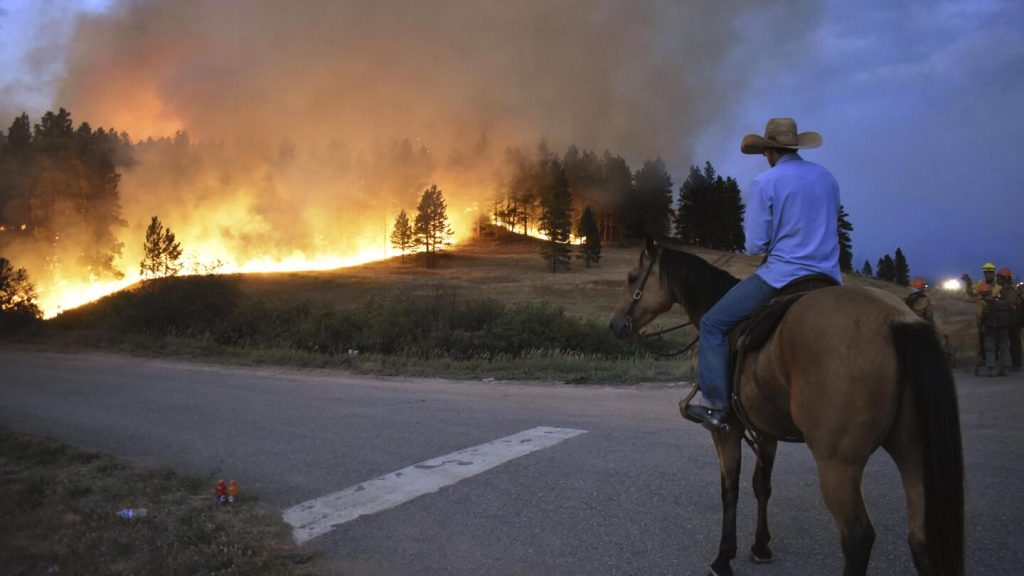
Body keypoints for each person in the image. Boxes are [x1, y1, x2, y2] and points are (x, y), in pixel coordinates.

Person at [684, 117, 842, 432]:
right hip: (829, 278)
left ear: (769, 152)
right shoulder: (827, 178)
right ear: (795, 146)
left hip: (783, 276)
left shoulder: (766, 182)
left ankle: (715, 406)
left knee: (714, 324)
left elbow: (755, 244)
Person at [977, 282, 1011, 376]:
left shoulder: (982, 303)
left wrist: (980, 325)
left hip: (990, 329)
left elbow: (979, 316)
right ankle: (1006, 369)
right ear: (991, 292)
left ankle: (992, 370)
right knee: (1004, 348)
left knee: (990, 348)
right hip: (1003, 328)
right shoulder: (999, 300)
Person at [997, 267, 1022, 370]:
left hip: (1013, 320)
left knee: (1014, 341)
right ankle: (1014, 363)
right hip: (1011, 319)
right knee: (1013, 341)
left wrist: (998, 303)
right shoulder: (1004, 291)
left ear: (1004, 278)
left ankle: (1016, 364)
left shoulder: (1009, 292)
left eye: (999, 277)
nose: (997, 279)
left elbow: (1010, 305)